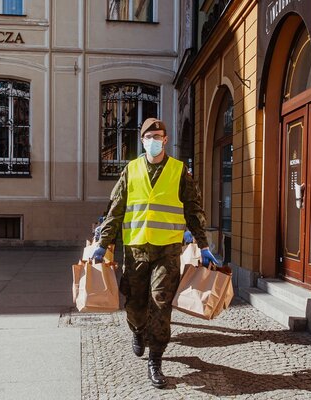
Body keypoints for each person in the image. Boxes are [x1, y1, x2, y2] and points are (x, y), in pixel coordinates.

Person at [92, 117, 218, 389]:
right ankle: (138, 331)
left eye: (159, 136)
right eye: (149, 136)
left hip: (167, 251)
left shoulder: (179, 170)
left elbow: (193, 210)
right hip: (136, 250)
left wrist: (203, 245)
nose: (154, 140)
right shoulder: (131, 169)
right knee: (136, 304)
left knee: (160, 304)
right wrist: (103, 243)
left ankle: (156, 360)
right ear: (142, 140)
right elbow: (116, 209)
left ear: (165, 139)